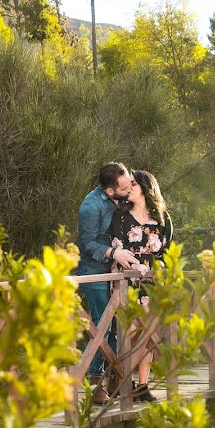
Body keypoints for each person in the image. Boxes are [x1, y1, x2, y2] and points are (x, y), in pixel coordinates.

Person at [108, 169, 173, 403]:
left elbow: (166, 252)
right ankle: (122, 381)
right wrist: (136, 267)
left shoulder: (162, 219)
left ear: (145, 188)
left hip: (151, 284)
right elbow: (117, 247)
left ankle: (142, 386)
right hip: (127, 281)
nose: (129, 188)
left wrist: (160, 267)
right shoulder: (121, 217)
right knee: (131, 332)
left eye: (133, 184)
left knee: (147, 333)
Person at [77, 162, 139, 405]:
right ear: (110, 191)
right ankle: (93, 384)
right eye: (125, 186)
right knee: (101, 328)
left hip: (117, 275)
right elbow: (87, 244)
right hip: (96, 274)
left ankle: (115, 378)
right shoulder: (90, 207)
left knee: (116, 325)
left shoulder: (122, 198)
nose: (129, 187)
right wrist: (113, 254)